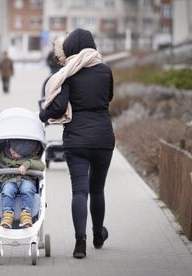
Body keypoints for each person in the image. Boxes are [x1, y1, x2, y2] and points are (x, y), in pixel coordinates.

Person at [39, 28, 114, 259]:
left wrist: (42, 116)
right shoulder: (105, 71)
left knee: (79, 191)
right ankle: (98, 235)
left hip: (76, 141)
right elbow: (109, 97)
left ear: (71, 49)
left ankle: (79, 244)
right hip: (103, 138)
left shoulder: (68, 73)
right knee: (97, 189)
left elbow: (59, 107)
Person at [0, 139, 45, 228]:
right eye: (13, 149)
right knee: (7, 191)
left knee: (27, 189)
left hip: (27, 180)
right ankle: (7, 215)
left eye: (17, 153)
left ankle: (26, 214)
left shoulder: (32, 158)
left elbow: (41, 166)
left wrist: (27, 164)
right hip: (9, 180)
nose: (13, 153)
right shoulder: (4, 156)